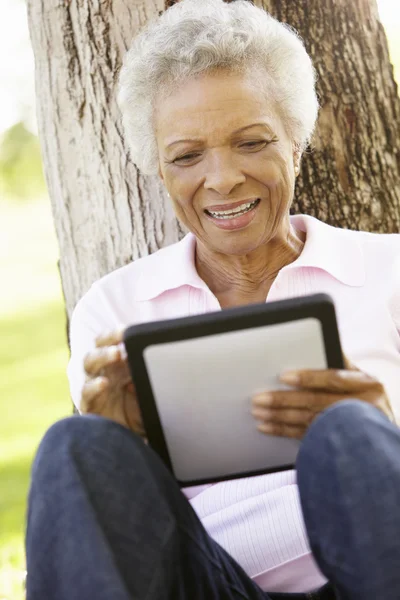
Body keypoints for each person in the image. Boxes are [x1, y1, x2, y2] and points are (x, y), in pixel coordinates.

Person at [26, 1, 400, 599]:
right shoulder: (115, 309)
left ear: (297, 143)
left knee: (349, 431)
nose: (222, 178)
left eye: (251, 142)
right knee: (75, 445)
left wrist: (385, 429)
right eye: (187, 156)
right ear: (159, 170)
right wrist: (124, 454)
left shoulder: (391, 272)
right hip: (208, 582)